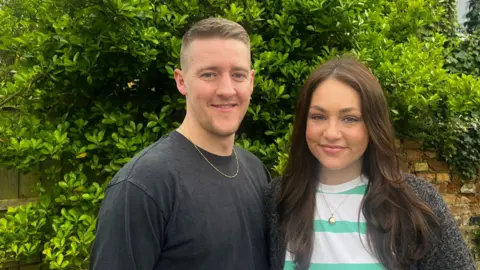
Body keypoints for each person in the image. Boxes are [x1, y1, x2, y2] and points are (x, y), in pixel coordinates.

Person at [89, 17, 271, 270]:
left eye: (238, 75)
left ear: (251, 81)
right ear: (181, 81)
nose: (227, 89)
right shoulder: (143, 185)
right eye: (209, 74)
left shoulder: (256, 171)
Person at [265, 56, 476, 270]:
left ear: (373, 125)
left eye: (350, 118)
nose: (331, 133)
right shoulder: (279, 199)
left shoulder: (416, 202)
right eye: (318, 116)